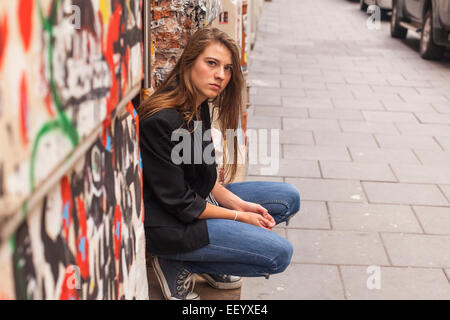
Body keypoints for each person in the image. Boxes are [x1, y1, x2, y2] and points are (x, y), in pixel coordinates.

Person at [137, 27, 300, 300]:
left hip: (198, 202)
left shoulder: (197, 103)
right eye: (211, 63)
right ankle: (178, 260)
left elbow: (205, 177)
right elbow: (180, 203)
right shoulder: (161, 121)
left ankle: (213, 253)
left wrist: (241, 205)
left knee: (287, 199)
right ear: (189, 62)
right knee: (278, 255)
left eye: (227, 68)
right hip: (172, 226)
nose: (221, 75)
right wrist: (239, 217)